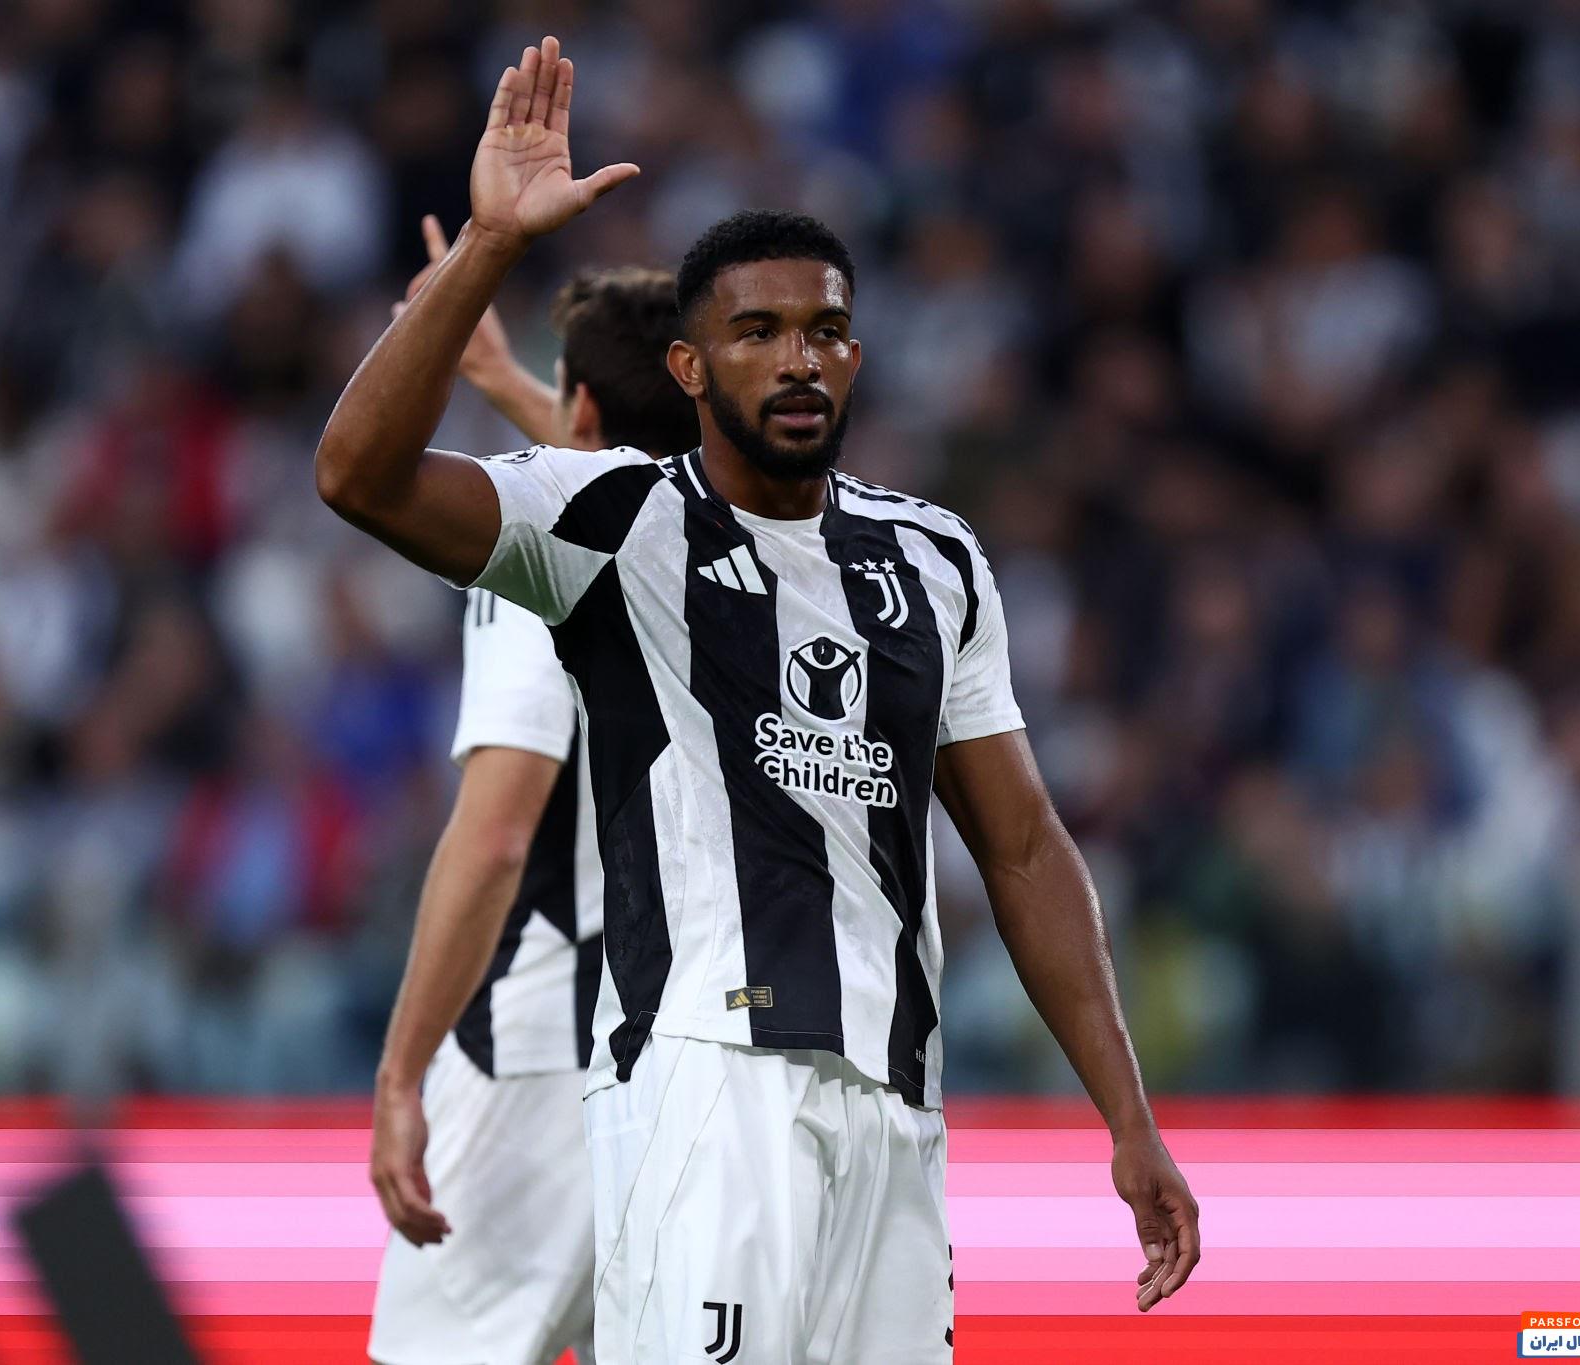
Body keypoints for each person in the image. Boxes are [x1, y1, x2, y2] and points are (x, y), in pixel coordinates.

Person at [319, 37, 1201, 1364]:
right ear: (689, 369)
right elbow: (358, 477)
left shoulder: (934, 557)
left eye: (825, 331)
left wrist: (1127, 1116)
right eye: (757, 333)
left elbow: (1022, 847)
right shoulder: (611, 521)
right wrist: (488, 247)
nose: (799, 360)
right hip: (703, 1084)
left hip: (896, 1104)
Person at [368, 217, 700, 1365]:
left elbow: (498, 833)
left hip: (542, 1038)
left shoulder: (537, 566)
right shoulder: (739, 560)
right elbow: (632, 472)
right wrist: (511, 379)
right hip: (694, 1056)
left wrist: (400, 1074)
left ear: (583, 410)